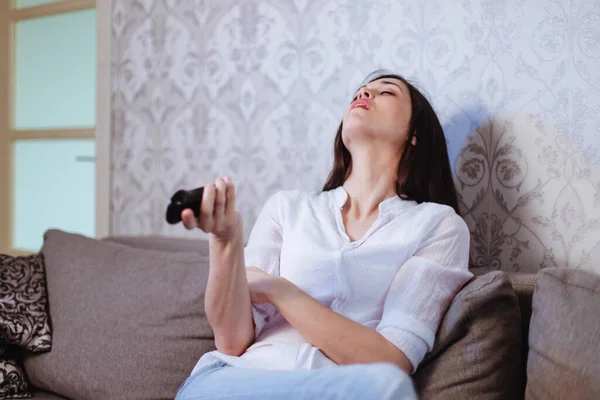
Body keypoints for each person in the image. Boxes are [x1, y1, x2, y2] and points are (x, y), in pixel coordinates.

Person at [174, 70, 473, 400]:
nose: (365, 94)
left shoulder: (438, 225)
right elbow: (231, 341)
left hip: (337, 389)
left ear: (414, 133)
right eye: (360, 91)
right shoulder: (288, 207)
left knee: (390, 387)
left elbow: (391, 359)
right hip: (239, 380)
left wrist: (280, 290)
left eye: (385, 92)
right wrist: (225, 239)